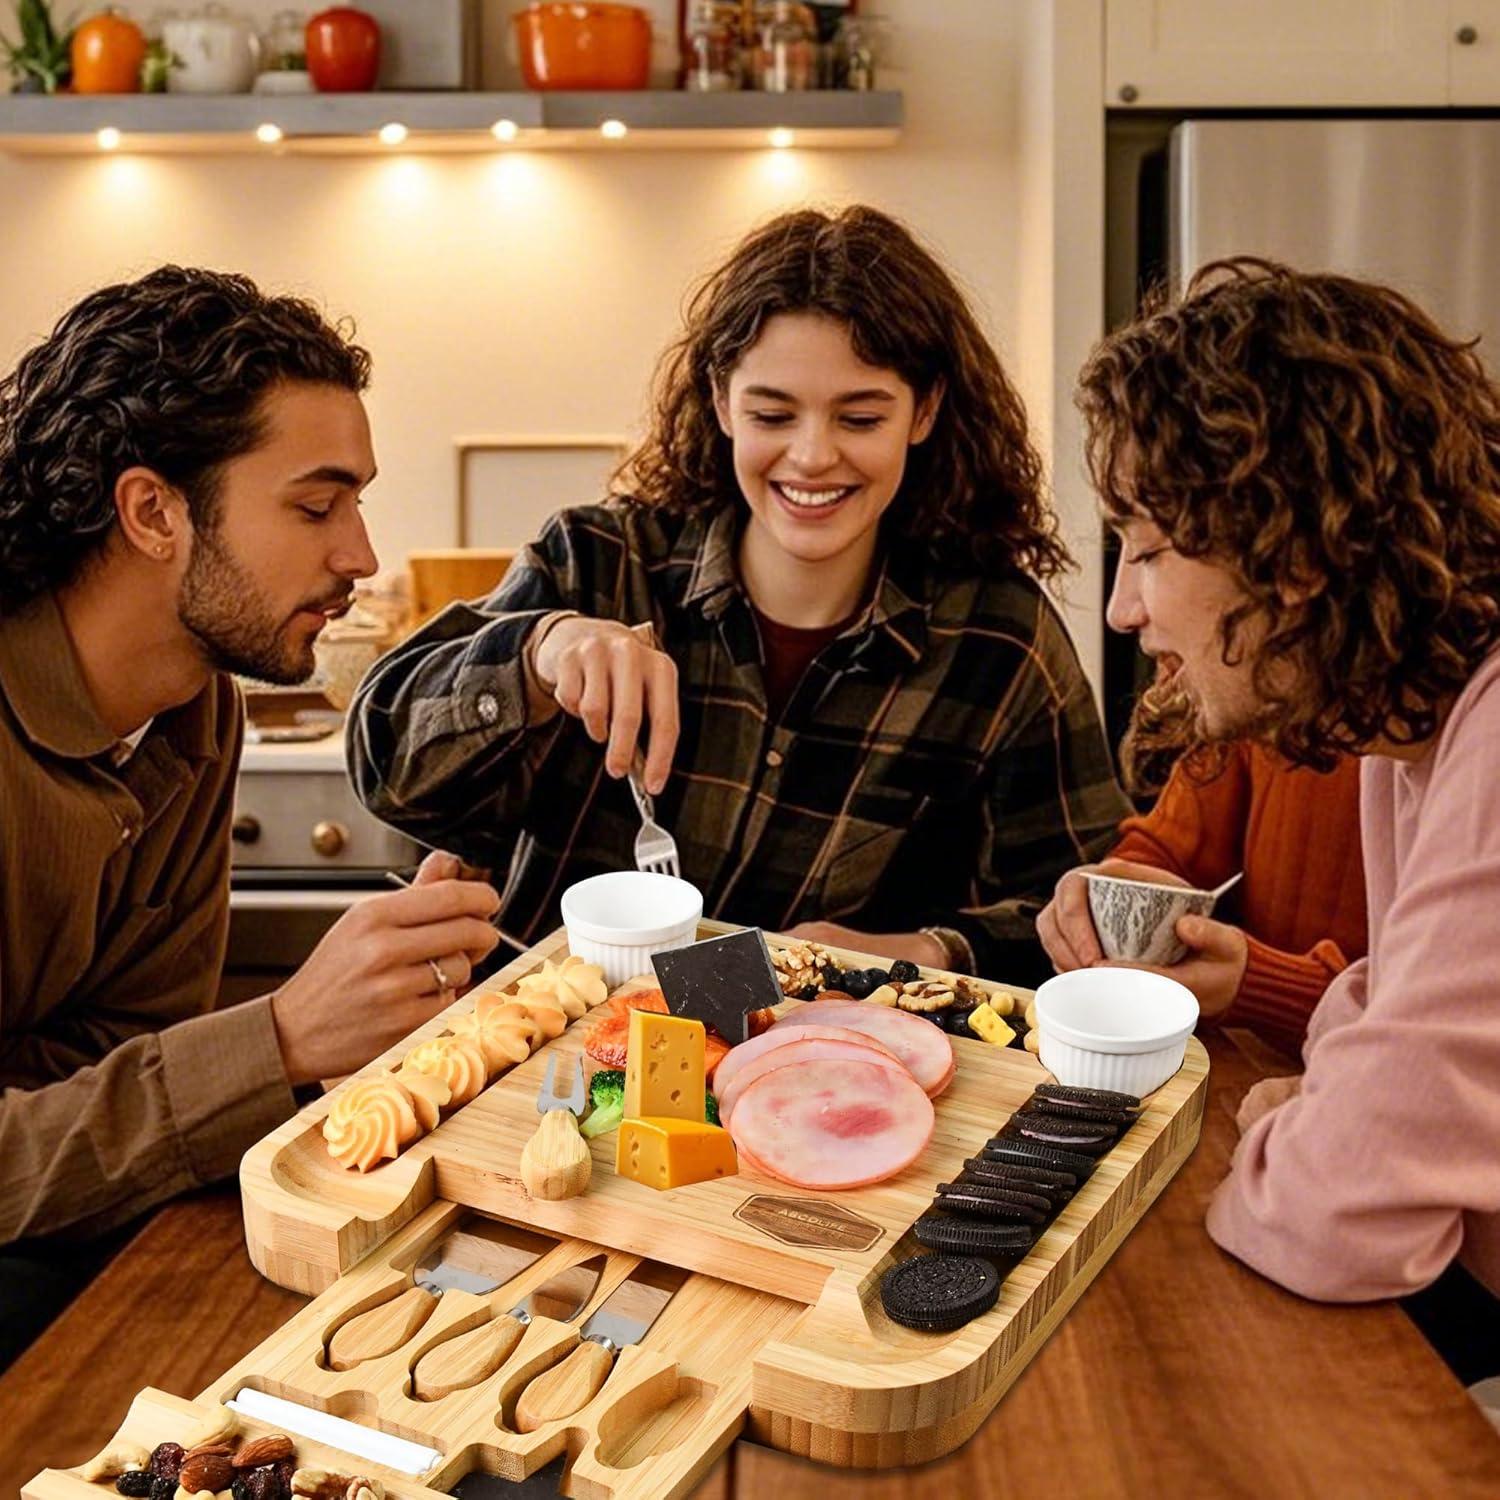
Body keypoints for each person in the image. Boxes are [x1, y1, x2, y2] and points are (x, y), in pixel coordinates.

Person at [349, 206, 1129, 982]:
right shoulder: (598, 561)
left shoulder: (997, 637)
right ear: (722, 401)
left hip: (800, 1080)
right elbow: (386, 770)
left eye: (860, 417)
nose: (813, 455)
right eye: (771, 413)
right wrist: (538, 653)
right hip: (539, 1061)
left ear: (923, 412)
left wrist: (922, 952)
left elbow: (1076, 918)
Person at [0, 267, 501, 1365]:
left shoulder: (196, 709)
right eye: (317, 507)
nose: (360, 555)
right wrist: (279, 1037)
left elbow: (122, 1049)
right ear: (152, 512)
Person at [1074, 256, 1500, 1383]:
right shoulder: (1410, 729)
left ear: (1295, 550)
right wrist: (1333, 1109)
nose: (1123, 608)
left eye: (1149, 548)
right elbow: (1380, 1020)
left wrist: (1310, 1132)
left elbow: (1340, 1216)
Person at [1037, 719, 1367, 1057]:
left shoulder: (1400, 758)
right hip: (1227, 1058)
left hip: (1351, 1076)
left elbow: (1414, 1028)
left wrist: (1257, 985)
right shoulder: (1247, 713)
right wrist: (1115, 889)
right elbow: (1172, 847)